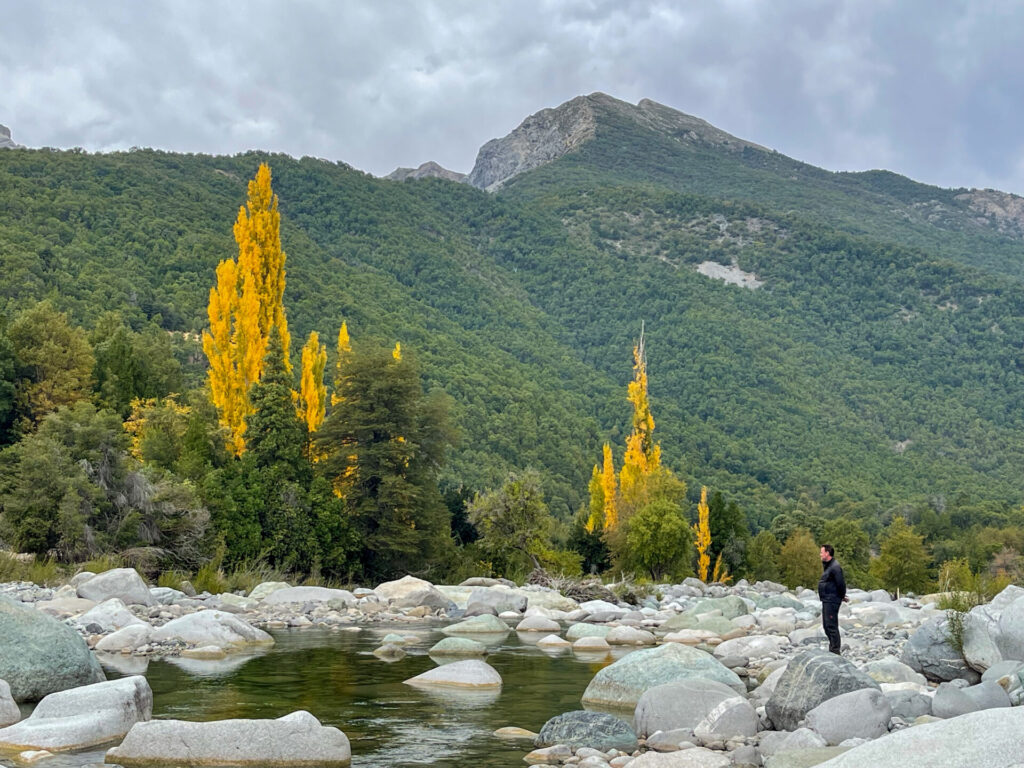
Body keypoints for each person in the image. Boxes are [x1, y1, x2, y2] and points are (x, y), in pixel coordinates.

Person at [818, 544, 847, 654]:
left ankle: (835, 650)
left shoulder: (835, 567)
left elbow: (841, 583)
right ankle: (832, 648)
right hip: (827, 599)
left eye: (821, 552)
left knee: (831, 625)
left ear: (827, 553)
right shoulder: (828, 565)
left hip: (832, 599)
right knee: (826, 625)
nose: (820, 554)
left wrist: (842, 595)